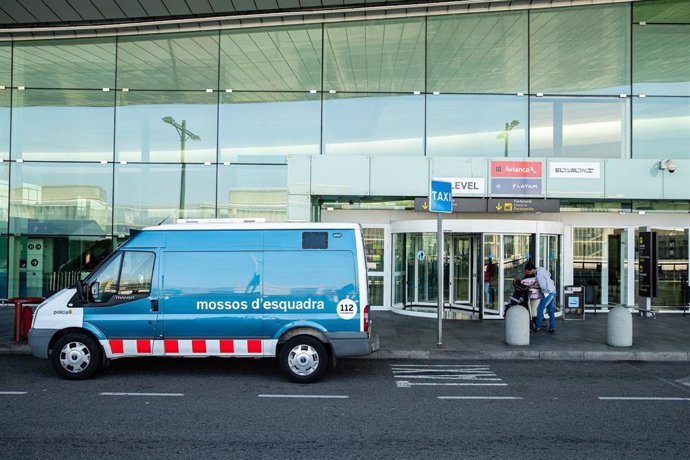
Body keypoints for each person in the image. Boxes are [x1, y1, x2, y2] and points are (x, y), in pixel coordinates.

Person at [524, 262, 557, 333]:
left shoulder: (538, 274)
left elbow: (542, 286)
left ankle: (538, 327)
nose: (528, 273)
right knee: (550, 310)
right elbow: (549, 274)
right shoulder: (541, 269)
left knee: (540, 309)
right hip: (553, 290)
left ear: (531, 270)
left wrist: (539, 289)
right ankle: (552, 328)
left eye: (527, 272)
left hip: (548, 293)